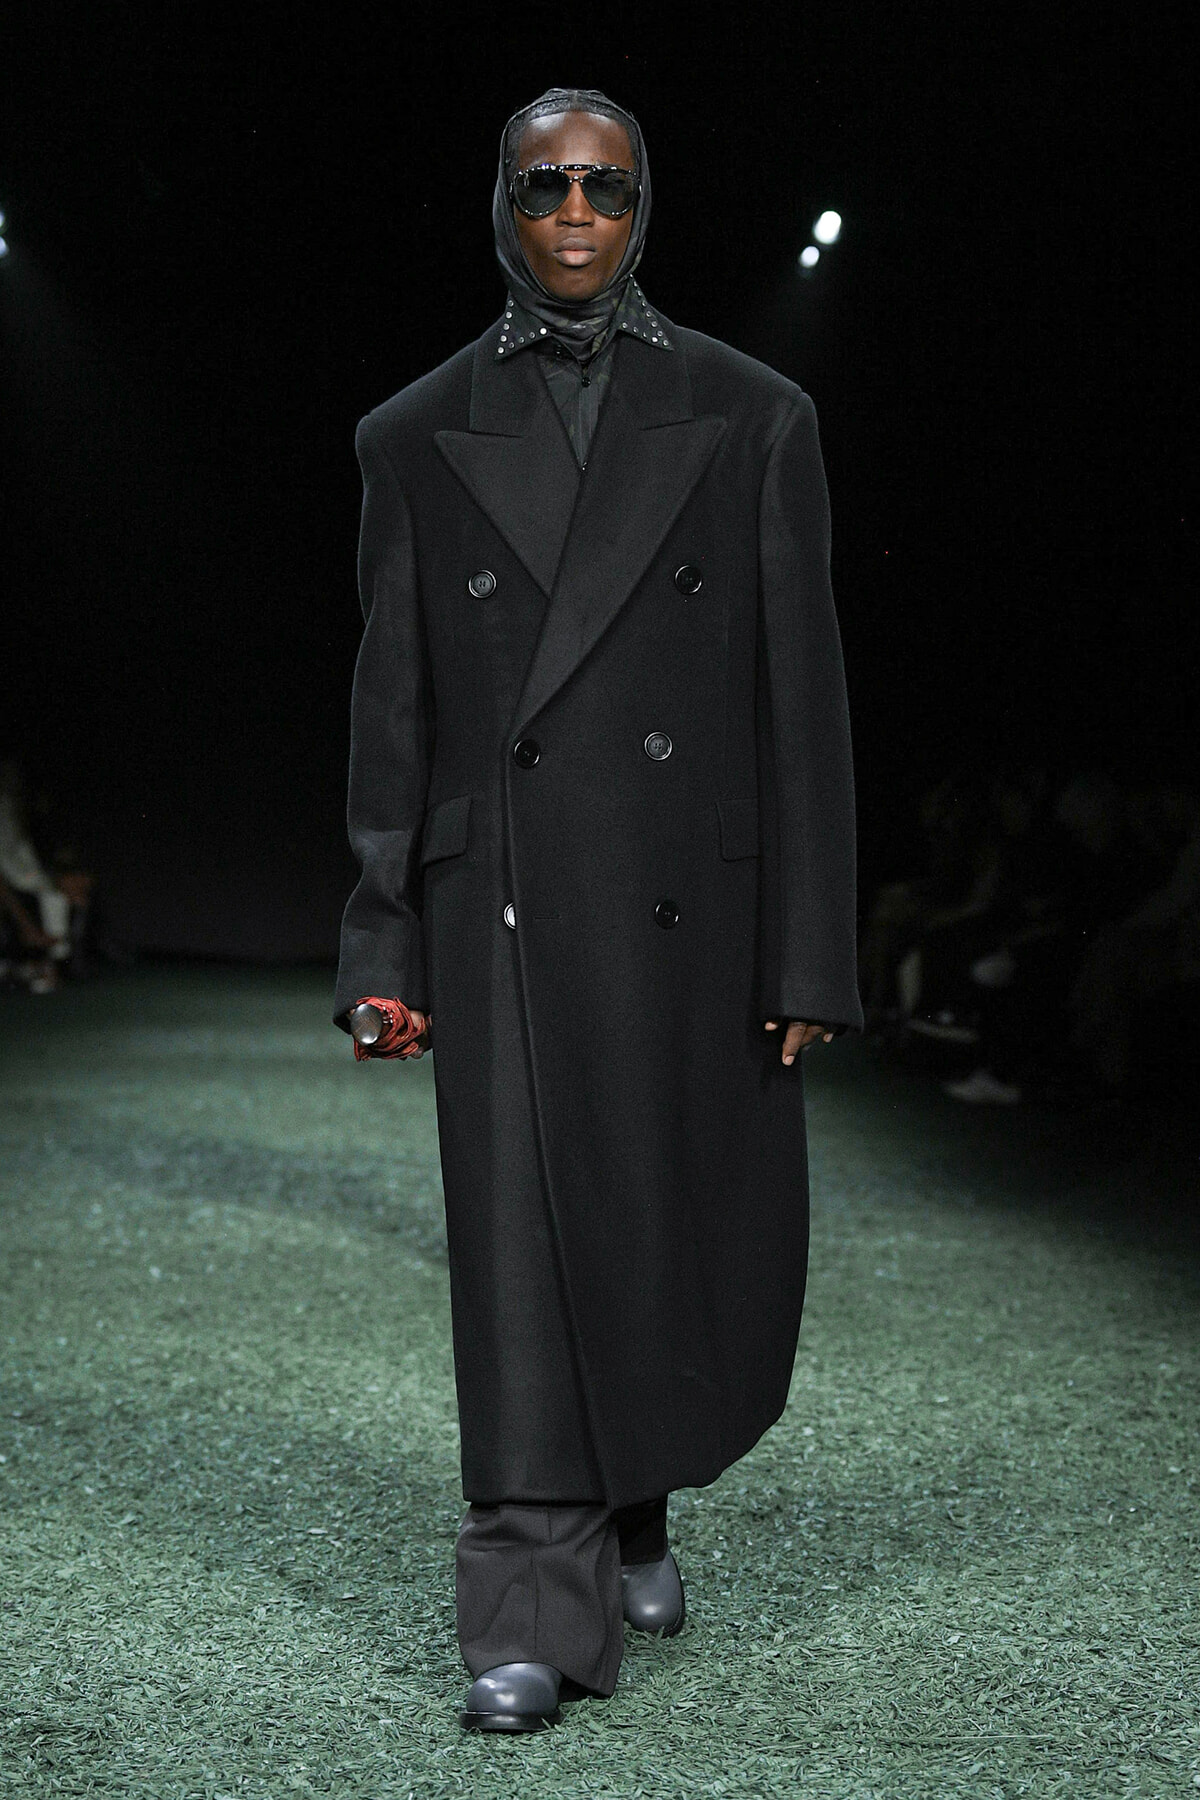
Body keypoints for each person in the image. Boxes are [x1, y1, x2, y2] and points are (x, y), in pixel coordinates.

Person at [333, 86, 863, 1733]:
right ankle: (528, 1603)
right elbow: (395, 710)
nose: (575, 212)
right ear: (501, 201)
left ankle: (635, 1495)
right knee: (517, 1251)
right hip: (497, 895)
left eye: (605, 187)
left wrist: (811, 947)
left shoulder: (753, 413)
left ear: (645, 207)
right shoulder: (414, 433)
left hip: (689, 908)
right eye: (545, 183)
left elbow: (802, 703)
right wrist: (380, 935)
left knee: (671, 1239)